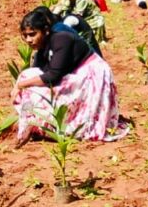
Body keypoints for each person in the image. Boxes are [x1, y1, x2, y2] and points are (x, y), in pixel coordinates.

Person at [12, 8, 129, 144]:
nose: (28, 40)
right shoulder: (42, 45)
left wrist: (20, 85)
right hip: (73, 72)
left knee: (32, 86)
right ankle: (29, 122)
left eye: (32, 34)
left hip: (90, 73)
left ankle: (38, 124)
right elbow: (36, 69)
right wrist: (21, 83)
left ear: (46, 30)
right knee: (27, 77)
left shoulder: (61, 38)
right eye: (25, 36)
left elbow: (53, 76)